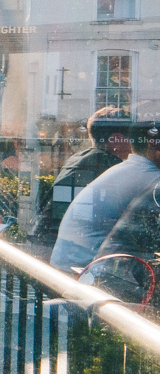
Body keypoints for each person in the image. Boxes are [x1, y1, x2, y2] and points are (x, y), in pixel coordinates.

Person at [53, 117, 160, 272]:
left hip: (68, 262)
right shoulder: (151, 178)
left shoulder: (126, 169)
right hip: (85, 269)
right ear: (153, 145)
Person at [40, 107, 131, 245]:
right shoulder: (109, 166)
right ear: (117, 139)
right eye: (132, 136)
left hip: (51, 242)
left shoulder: (77, 159)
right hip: (73, 249)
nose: (136, 142)